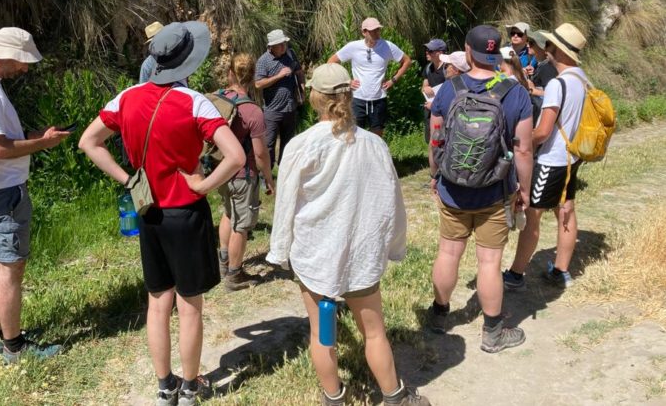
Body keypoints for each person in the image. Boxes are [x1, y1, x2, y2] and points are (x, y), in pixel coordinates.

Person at [79, 21, 246, 406]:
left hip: (149, 213)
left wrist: (127, 178)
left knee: (158, 302)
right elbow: (235, 156)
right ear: (187, 60)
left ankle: (164, 386)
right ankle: (190, 387)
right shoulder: (193, 102)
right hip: (185, 214)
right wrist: (203, 185)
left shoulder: (127, 98)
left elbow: (90, 142)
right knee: (189, 306)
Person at [267, 63, 430, 406]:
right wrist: (395, 244)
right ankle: (395, 396)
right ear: (349, 95)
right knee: (374, 331)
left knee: (322, 332)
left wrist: (280, 251)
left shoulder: (300, 145)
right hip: (361, 253)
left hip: (316, 256)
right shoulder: (373, 144)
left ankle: (333, 397)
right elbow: (392, 201)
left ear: (313, 97)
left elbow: (284, 205)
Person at [0, 27, 71, 363]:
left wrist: (36, 136)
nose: (24, 68)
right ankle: (14, 347)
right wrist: (44, 144)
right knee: (10, 268)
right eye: (22, 61)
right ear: (7, 54)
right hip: (5, 191)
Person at [427, 25, 534, 353]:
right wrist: (524, 192)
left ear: (468, 52)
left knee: (448, 252)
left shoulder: (448, 89)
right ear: (496, 53)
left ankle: (439, 315)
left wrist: (435, 175)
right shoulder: (515, 93)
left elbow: (435, 139)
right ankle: (493, 333)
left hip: (453, 189)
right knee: (489, 262)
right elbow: (524, 151)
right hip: (495, 192)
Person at [504, 23, 589, 292]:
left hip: (552, 159)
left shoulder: (557, 84)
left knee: (532, 217)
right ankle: (561, 270)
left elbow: (542, 131)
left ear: (559, 50)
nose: (545, 49)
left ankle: (516, 274)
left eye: (549, 45)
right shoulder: (582, 78)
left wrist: (515, 139)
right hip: (572, 157)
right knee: (566, 210)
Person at [217, 53, 276, 292]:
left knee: (228, 213)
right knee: (242, 224)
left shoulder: (218, 99)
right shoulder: (253, 111)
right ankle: (235, 274)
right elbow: (261, 154)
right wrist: (269, 179)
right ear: (252, 78)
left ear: (230, 73)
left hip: (221, 170)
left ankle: (223, 262)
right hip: (243, 173)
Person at [327, 17, 412, 137]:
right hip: (357, 99)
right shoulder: (353, 46)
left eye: (378, 29)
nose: (377, 33)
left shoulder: (387, 46)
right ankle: (356, 156)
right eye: (373, 30)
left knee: (377, 136)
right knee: (353, 135)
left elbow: (407, 61)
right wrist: (346, 81)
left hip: (378, 98)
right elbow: (331, 61)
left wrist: (393, 80)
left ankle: (375, 156)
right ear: (364, 32)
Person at [254, 29, 305, 168]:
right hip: (273, 111)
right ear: (271, 46)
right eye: (280, 44)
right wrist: (279, 76)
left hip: (290, 107)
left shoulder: (291, 54)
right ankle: (267, 174)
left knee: (288, 142)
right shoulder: (263, 61)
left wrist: (302, 87)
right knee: (269, 144)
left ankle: (284, 170)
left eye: (284, 43)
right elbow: (258, 84)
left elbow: (299, 71)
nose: (284, 47)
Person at [527, 30, 558, 124]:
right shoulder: (540, 64)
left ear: (542, 47)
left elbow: (554, 95)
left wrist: (533, 90)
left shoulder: (547, 68)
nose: (528, 45)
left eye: (531, 43)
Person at [421, 38, 448, 143]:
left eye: (430, 50)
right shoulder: (428, 67)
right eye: (427, 50)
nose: (427, 52)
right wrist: (425, 88)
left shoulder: (448, 68)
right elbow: (424, 86)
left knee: (443, 140)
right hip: (429, 108)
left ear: (440, 53)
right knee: (432, 140)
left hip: (443, 110)